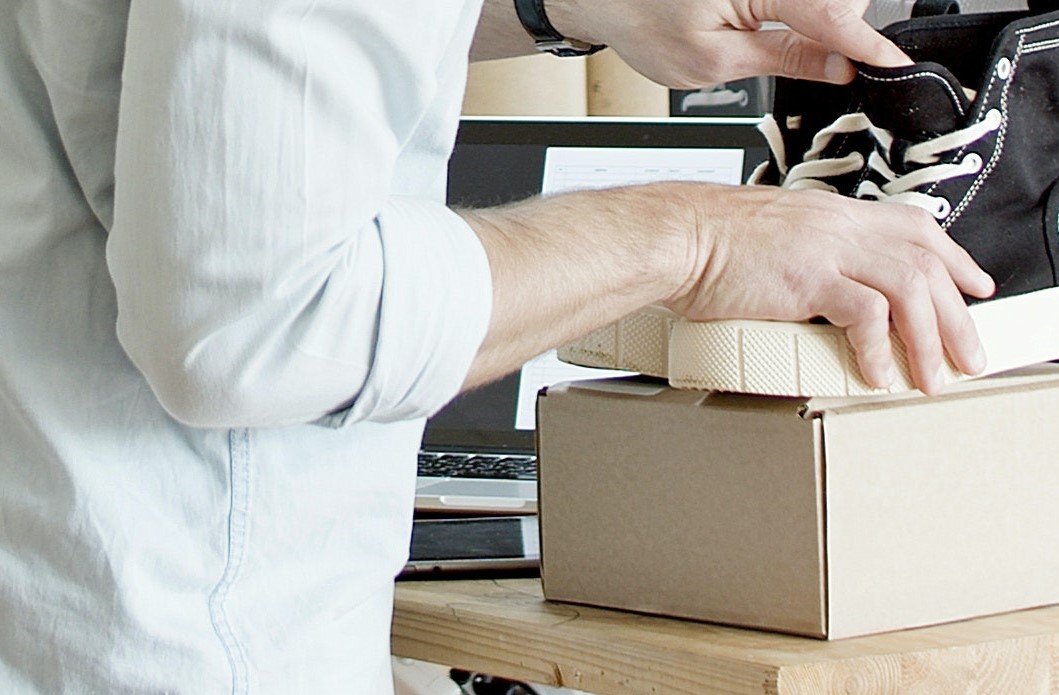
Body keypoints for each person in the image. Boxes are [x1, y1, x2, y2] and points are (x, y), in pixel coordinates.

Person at [0, 0, 992, 690]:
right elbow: (262, 321)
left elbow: (204, 50)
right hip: (172, 637)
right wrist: (699, 236)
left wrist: (566, 8)